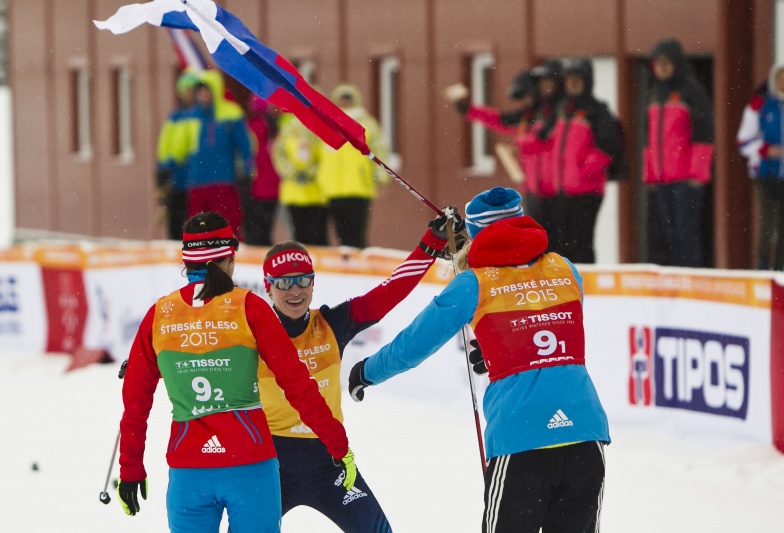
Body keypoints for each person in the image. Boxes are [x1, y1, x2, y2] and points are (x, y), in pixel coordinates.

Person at [348, 187, 610, 532]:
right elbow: (548, 327)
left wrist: (367, 372)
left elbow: (414, 344)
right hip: (585, 434)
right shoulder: (567, 269)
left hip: (522, 438)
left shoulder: (473, 284)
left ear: (474, 233)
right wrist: (501, 351)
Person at [115, 211, 356, 532]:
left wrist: (131, 469)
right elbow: (299, 386)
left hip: (189, 471)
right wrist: (338, 446)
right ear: (230, 258)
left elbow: (135, 403)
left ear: (186, 262)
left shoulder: (160, 314)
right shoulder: (250, 307)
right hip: (250, 466)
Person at [258, 208, 465, 531]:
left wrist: (430, 243)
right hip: (271, 467)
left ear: (313, 284)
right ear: (268, 287)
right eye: (284, 283)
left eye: (303, 280)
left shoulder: (331, 324)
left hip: (330, 465)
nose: (295, 291)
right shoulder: (252, 334)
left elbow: (389, 293)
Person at [521, 58, 622, 263]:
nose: (573, 84)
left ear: (587, 81)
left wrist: (583, 171)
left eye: (578, 79)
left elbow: (608, 147)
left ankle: (585, 285)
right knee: (563, 243)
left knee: (581, 242)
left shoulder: (597, 110)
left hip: (587, 190)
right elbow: (543, 136)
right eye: (569, 80)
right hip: (564, 190)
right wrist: (523, 144)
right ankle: (567, 283)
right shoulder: (562, 108)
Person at [449, 60, 565, 233]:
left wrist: (519, 144)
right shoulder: (530, 114)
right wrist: (469, 110)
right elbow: (500, 119)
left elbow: (545, 141)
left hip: (555, 188)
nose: (525, 102)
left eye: (527, 96)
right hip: (533, 186)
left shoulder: (556, 111)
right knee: (542, 233)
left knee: (558, 235)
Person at [643, 39, 714, 268]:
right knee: (669, 233)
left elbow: (704, 133)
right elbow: (650, 138)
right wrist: (651, 174)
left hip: (687, 177)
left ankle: (692, 277)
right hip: (663, 177)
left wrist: (698, 172)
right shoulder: (655, 93)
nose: (662, 68)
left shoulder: (691, 90)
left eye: (666, 63)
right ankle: (677, 277)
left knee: (687, 231)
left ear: (676, 63)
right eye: (658, 64)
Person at [172, 70, 253, 239]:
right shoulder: (190, 117)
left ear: (215, 91)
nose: (203, 96)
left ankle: (230, 255)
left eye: (206, 91)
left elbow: (245, 145)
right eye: (199, 92)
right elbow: (179, 148)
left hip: (224, 179)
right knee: (198, 226)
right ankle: (201, 256)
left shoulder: (231, 113)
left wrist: (247, 169)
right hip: (197, 180)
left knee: (227, 224)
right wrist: (169, 168)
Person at [739, 65, 784, 271]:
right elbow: (743, 142)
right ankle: (763, 267)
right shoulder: (760, 105)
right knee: (768, 222)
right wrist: (766, 150)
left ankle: (781, 268)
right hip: (766, 174)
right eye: (780, 79)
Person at [317, 83, 389, 248]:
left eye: (348, 99)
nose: (345, 103)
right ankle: (348, 262)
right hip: (333, 185)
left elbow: (380, 149)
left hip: (358, 184)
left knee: (357, 229)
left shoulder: (366, 123)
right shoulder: (327, 122)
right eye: (341, 99)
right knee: (340, 231)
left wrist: (381, 176)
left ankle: (359, 260)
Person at [271, 113, 329, 246]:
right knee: (299, 235)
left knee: (318, 235)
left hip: (317, 193)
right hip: (294, 193)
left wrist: (310, 173)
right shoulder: (288, 129)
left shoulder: (320, 129)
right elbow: (279, 154)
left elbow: (326, 157)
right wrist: (293, 173)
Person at [155, 68, 198, 240]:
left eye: (191, 89)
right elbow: (164, 145)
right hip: (176, 177)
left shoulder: (200, 116)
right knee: (175, 222)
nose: (187, 94)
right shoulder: (175, 116)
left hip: (194, 177)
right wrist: (163, 168)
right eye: (185, 90)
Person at [242, 94, 281, 246]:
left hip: (256, 183)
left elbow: (249, 154)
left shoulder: (252, 126)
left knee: (255, 227)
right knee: (265, 227)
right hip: (272, 184)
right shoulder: (275, 126)